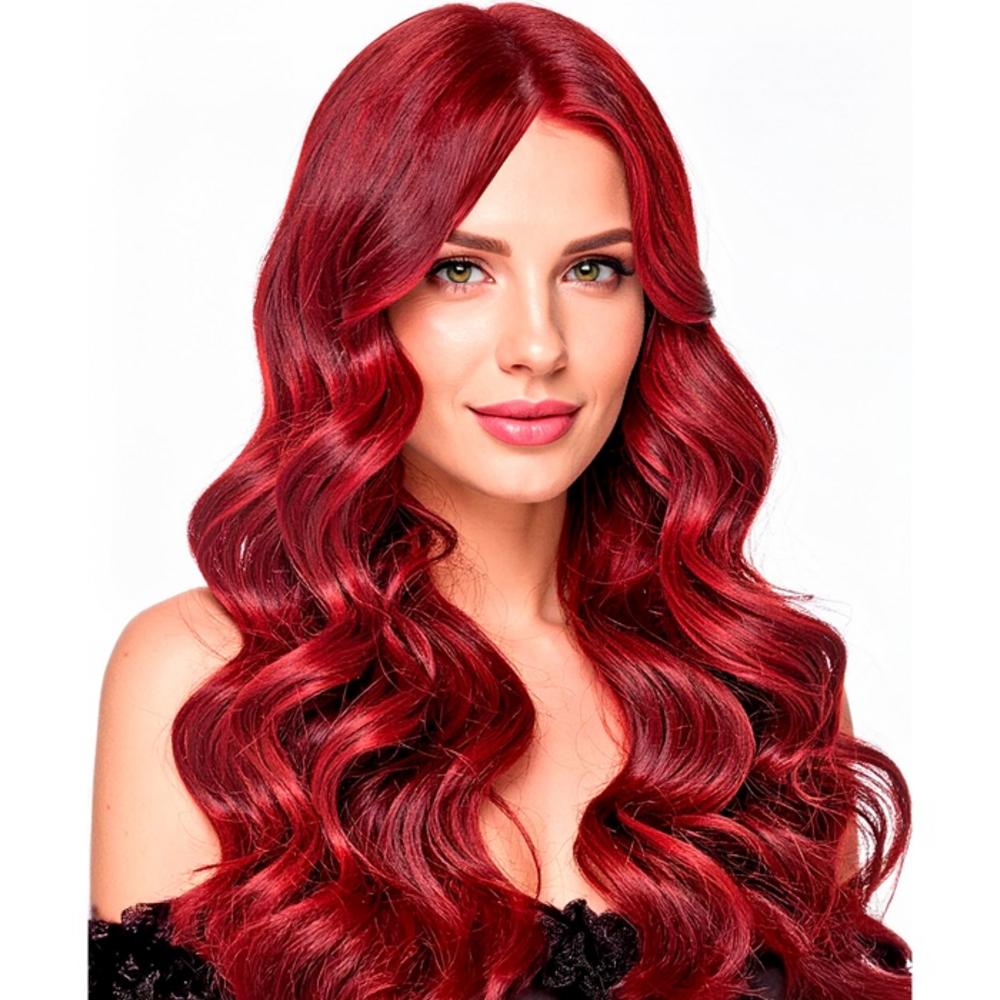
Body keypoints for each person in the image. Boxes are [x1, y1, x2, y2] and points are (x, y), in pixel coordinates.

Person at [89, 3, 912, 998]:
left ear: (654, 301)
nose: (537, 344)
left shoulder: (760, 694)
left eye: (593, 270)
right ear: (355, 298)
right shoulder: (216, 685)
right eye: (460, 270)